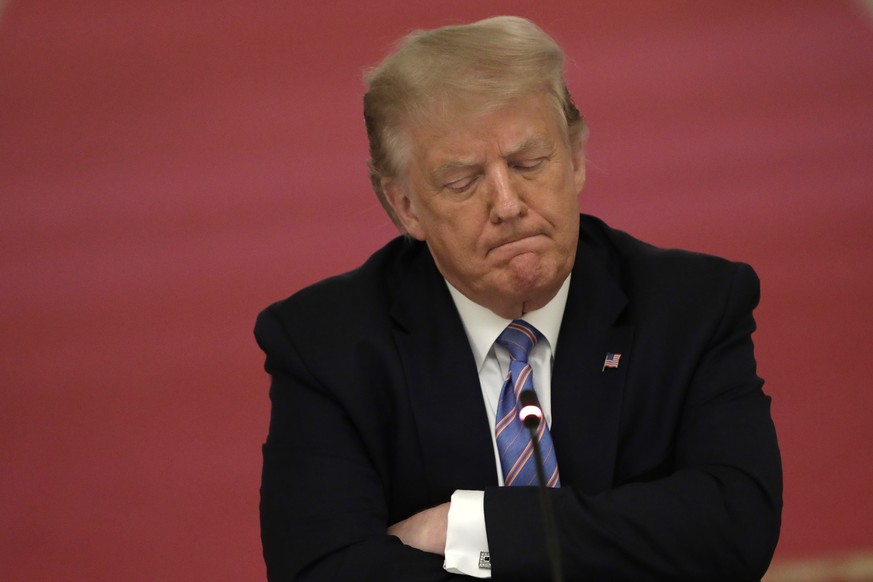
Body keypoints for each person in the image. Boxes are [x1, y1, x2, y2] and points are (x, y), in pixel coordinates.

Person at [255, 16, 782, 581]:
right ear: (406, 206)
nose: (508, 204)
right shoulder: (327, 345)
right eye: (463, 181)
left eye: (529, 164)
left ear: (575, 158)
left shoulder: (691, 306)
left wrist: (471, 528)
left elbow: (733, 528)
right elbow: (323, 569)